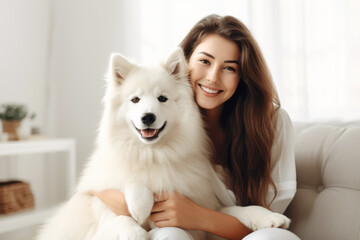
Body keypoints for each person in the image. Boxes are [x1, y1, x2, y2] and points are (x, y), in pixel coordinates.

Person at [95, 14, 299, 240]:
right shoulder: (166, 117)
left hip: (247, 235)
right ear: (185, 63)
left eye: (229, 68)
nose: (212, 77)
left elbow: (273, 225)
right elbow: (101, 182)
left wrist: (197, 216)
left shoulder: (270, 121)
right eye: (205, 61)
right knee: (171, 234)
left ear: (243, 75)